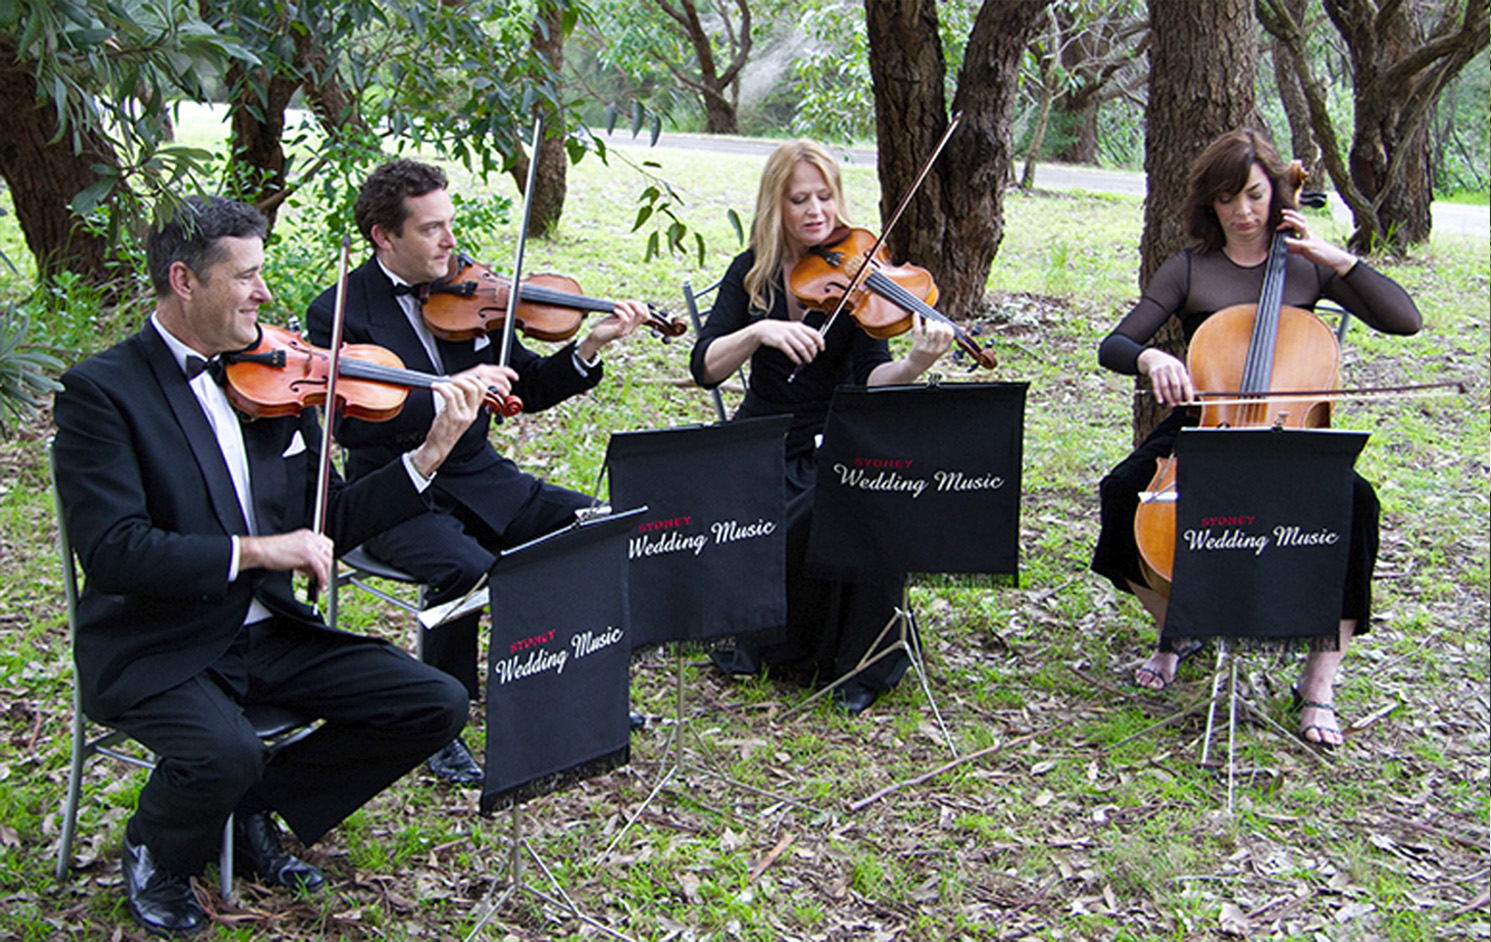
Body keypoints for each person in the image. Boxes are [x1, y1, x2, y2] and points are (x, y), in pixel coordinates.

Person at [52, 196, 489, 938]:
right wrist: (258, 551)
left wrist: (428, 454)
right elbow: (115, 551)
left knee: (434, 701)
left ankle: (255, 807)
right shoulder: (104, 393)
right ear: (185, 281)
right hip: (160, 642)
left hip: (268, 632)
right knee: (224, 750)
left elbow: (333, 517)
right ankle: (157, 849)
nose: (264, 294)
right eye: (247, 276)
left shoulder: (276, 380)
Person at [306, 159, 651, 785]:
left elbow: (530, 387)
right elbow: (351, 426)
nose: (450, 241)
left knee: (589, 526)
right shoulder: (339, 310)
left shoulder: (470, 292)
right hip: (396, 488)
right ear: (385, 236)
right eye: (432, 229)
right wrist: (442, 394)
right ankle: (446, 724)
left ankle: (565, 681)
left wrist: (590, 346)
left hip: (482, 477)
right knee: (462, 569)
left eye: (451, 224)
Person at [1091, 129, 1422, 747]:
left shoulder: (1305, 268)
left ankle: (1318, 682)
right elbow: (1114, 343)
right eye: (1226, 199)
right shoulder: (1192, 268)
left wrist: (1337, 259)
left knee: (1360, 508)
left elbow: (1405, 321)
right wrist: (1150, 361)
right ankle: (1179, 629)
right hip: (1208, 422)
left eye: (1253, 194)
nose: (1243, 212)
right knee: (1122, 493)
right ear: (1208, 205)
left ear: (1275, 193)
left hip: (1290, 433)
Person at [690, 139, 955, 715]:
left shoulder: (862, 274)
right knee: (796, 513)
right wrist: (757, 334)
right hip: (759, 441)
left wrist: (913, 364)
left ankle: (861, 666)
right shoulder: (750, 271)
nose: (816, 210)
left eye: (824, 196)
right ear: (775, 206)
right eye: (799, 199)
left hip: (832, 441)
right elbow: (704, 367)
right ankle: (779, 649)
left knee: (863, 506)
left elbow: (867, 381)